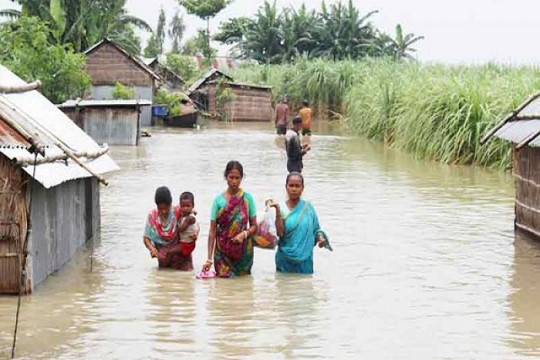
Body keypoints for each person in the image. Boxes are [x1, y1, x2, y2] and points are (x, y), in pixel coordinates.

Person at [202, 161, 258, 277]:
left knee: (243, 289)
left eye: (237, 178)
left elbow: (254, 226)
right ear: (225, 177)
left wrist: (244, 234)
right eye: (231, 177)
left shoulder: (247, 199)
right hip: (222, 254)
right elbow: (212, 231)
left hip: (243, 253)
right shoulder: (218, 201)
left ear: (241, 178)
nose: (234, 181)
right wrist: (209, 259)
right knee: (222, 288)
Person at [268, 173, 329, 274]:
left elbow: (316, 230)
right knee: (284, 287)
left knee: (305, 287)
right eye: (291, 185)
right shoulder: (281, 208)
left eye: (297, 186)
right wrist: (277, 211)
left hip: (305, 262)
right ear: (286, 187)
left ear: (302, 188)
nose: (294, 189)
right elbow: (279, 233)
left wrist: (320, 239)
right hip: (284, 261)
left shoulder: (308, 208)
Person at [143, 186, 188, 269]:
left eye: (166, 208)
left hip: (181, 260)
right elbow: (146, 238)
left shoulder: (179, 211)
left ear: (171, 203)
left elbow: (193, 223)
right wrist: (152, 249)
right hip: (164, 260)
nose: (163, 211)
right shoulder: (152, 216)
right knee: (163, 279)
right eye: (160, 208)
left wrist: (196, 232)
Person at [177, 191, 200, 259]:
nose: (185, 208)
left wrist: (174, 224)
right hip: (185, 243)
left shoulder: (190, 218)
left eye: (188, 206)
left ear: (192, 206)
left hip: (187, 244)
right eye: (183, 206)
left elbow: (181, 229)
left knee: (168, 251)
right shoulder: (185, 215)